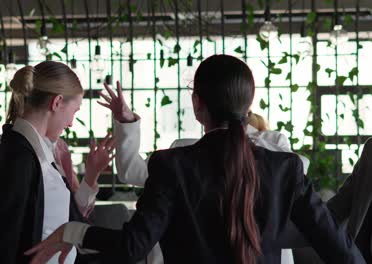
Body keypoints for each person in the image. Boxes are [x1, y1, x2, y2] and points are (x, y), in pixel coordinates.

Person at [25, 55, 365, 264]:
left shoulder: (172, 166)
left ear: (197, 104)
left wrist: (70, 231)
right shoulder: (284, 168)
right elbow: (338, 247)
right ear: (248, 104)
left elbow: (131, 246)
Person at [98, 83, 300, 264]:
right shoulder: (181, 157)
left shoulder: (275, 152)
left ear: (197, 106)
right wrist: (127, 122)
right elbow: (132, 170)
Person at [0, 61, 115, 264]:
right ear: (57, 102)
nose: (71, 122)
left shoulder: (39, 152)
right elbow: (3, 240)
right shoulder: (20, 155)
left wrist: (92, 174)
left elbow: (69, 221)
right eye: (75, 110)